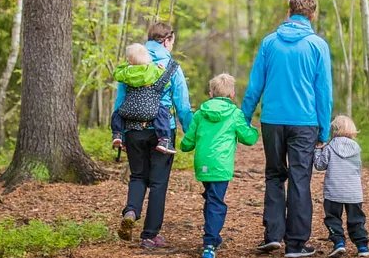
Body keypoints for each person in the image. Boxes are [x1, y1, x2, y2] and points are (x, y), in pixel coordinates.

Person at [242, 0, 333, 257]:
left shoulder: (270, 42)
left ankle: (272, 235)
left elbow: (255, 84)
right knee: (299, 180)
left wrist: (244, 118)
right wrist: (324, 129)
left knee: (273, 175)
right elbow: (323, 91)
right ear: (312, 16)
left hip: (272, 119)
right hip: (305, 122)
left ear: (289, 12)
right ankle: (296, 244)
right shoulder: (317, 45)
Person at [114, 23, 194, 249]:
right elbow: (183, 107)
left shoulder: (130, 64)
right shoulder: (172, 66)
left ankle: (131, 211)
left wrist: (121, 132)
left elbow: (120, 103)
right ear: (167, 41)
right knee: (158, 183)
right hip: (162, 132)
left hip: (133, 130)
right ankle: (149, 235)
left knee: (138, 176)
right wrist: (190, 135)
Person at [180, 74, 259, 258]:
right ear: (232, 95)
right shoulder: (234, 114)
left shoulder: (200, 113)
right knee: (216, 201)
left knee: (211, 197)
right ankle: (209, 243)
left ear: (210, 94)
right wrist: (254, 130)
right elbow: (248, 138)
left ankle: (212, 237)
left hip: (203, 165)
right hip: (221, 166)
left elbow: (189, 140)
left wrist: (183, 146)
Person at [313, 116, 369, 257]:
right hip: (353, 192)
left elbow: (320, 165)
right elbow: (358, 169)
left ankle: (339, 242)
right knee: (356, 219)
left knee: (333, 218)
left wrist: (317, 150)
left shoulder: (330, 147)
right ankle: (362, 246)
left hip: (334, 190)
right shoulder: (356, 148)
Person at [111, 43, 177, 154]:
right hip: (150, 110)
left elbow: (116, 74)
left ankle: (117, 134)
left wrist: (125, 65)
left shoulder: (127, 72)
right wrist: (162, 70)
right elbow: (165, 83)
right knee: (162, 111)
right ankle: (164, 140)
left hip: (128, 110)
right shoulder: (152, 69)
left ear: (130, 60)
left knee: (117, 113)